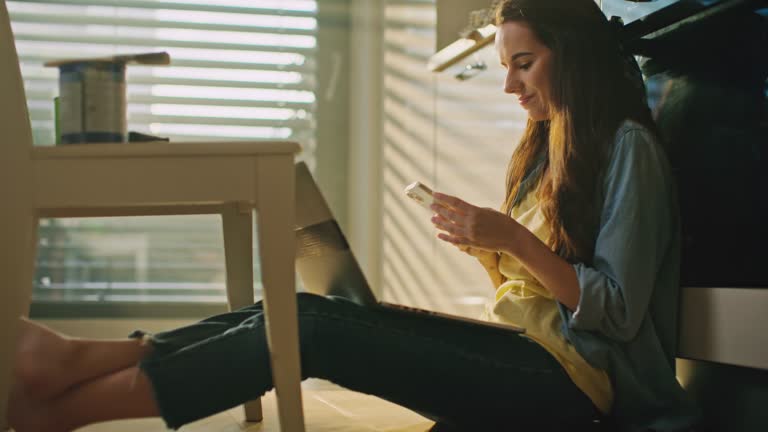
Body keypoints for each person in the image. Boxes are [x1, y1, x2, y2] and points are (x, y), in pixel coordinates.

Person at [7, 0, 701, 431]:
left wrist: (511, 238)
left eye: (524, 63)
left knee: (310, 326)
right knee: (284, 310)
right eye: (504, 65)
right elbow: (543, 295)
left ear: (571, 57)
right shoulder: (548, 151)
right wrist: (488, 247)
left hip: (580, 389)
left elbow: (611, 308)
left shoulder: (630, 150)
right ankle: (82, 365)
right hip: (531, 360)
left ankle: (68, 401)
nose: (510, 84)